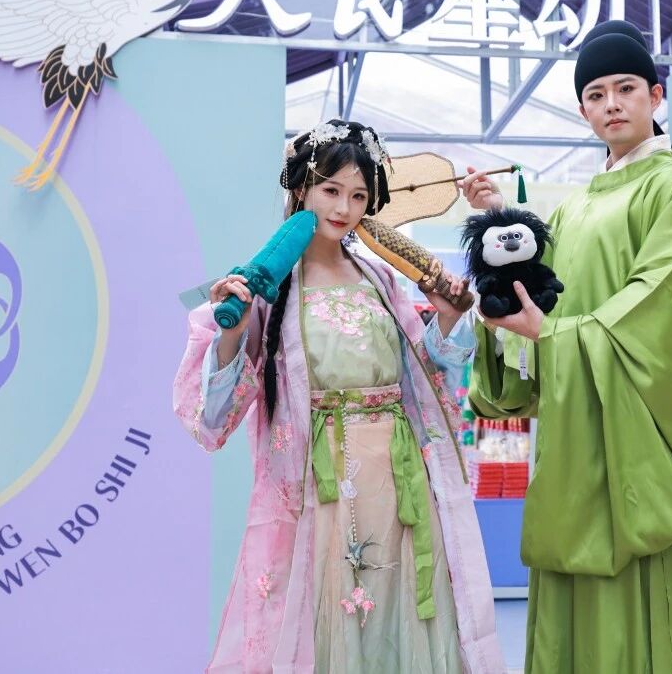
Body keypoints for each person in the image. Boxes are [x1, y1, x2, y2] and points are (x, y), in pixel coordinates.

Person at [173, 119, 503, 673]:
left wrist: (448, 318)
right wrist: (233, 327)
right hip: (320, 486)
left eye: (358, 196)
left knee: (400, 615)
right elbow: (214, 415)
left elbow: (429, 374)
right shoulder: (266, 286)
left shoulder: (382, 278)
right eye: (331, 190)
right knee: (327, 622)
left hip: (397, 480)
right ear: (302, 188)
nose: (344, 208)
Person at [462, 20, 672, 673]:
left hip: (633, 438)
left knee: (639, 590)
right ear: (583, 110)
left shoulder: (670, 189)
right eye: (596, 94)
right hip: (571, 431)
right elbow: (539, 290)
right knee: (570, 577)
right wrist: (499, 229)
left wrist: (554, 335)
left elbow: (657, 305)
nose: (612, 104)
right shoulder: (575, 207)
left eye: (626, 88)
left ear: (656, 96)